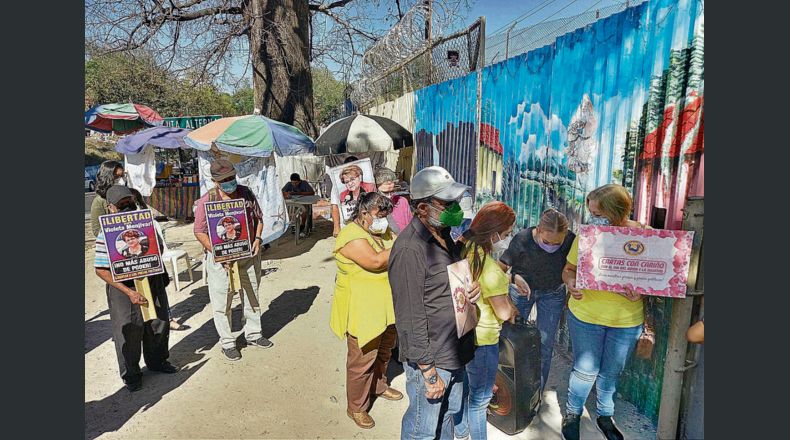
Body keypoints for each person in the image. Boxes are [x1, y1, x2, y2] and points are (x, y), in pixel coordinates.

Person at [388, 165, 481, 440]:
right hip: (431, 358)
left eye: (454, 201)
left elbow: (444, 286)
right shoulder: (410, 249)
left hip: (454, 350)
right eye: (446, 202)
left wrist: (470, 289)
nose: (454, 208)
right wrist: (428, 373)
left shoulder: (445, 236)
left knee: (449, 416)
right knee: (422, 431)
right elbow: (409, 317)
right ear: (422, 209)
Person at [560, 184, 647, 440]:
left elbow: (658, 275)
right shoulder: (587, 235)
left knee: (611, 372)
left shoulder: (645, 236)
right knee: (585, 370)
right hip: (586, 315)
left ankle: (605, 415)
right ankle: (572, 414)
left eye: (598, 213)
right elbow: (568, 269)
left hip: (626, 320)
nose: (593, 218)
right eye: (591, 212)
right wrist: (570, 282)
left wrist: (644, 291)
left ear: (616, 211)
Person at [93, 185, 179, 392]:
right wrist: (130, 292)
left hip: (152, 280)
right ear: (111, 208)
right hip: (123, 287)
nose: (126, 208)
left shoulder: (146, 225)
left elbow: (158, 251)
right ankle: (131, 374)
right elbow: (101, 270)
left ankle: (157, 361)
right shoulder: (106, 234)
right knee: (129, 330)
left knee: (158, 322)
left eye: (129, 203)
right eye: (121, 205)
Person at [330, 192, 402, 429]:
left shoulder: (382, 231)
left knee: (384, 353)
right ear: (363, 212)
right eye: (379, 214)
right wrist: (406, 243)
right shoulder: (350, 235)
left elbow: (396, 244)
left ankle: (379, 386)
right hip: (364, 310)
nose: (384, 219)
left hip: (387, 308)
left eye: (386, 214)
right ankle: (357, 407)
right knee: (362, 362)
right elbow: (375, 261)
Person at [90, 160, 188, 331]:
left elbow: (146, 223)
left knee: (157, 309)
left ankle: (163, 332)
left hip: (145, 261)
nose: (121, 180)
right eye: (116, 177)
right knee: (130, 318)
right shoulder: (100, 202)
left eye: (122, 176)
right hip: (121, 264)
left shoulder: (132, 193)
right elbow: (98, 230)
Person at [193, 159, 272, 361]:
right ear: (214, 181)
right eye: (224, 180)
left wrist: (257, 239)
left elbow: (259, 219)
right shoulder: (206, 200)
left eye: (231, 177)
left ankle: (254, 334)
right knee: (222, 302)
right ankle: (228, 342)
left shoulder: (246, 193)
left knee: (252, 295)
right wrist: (218, 254)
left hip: (248, 256)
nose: (230, 182)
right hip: (221, 262)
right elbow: (199, 231)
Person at [458, 201, 520, 440]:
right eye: (506, 234)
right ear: (493, 234)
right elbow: (504, 313)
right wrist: (512, 307)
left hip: (463, 334)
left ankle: (461, 429)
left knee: (464, 388)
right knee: (480, 400)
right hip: (483, 340)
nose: (507, 238)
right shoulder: (491, 269)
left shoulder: (465, 249)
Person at [499, 208, 575, 390]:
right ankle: (512, 391)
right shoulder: (523, 238)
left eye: (557, 243)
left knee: (544, 345)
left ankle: (535, 395)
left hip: (553, 294)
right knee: (512, 342)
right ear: (539, 229)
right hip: (521, 293)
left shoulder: (571, 240)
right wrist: (512, 279)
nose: (551, 247)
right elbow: (499, 268)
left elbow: (573, 268)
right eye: (547, 242)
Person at [374, 167, 412, 234]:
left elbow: (411, 225)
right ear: (376, 189)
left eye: (392, 192)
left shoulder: (402, 201)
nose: (389, 196)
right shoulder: (373, 206)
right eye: (385, 193)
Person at [330, 156, 359, 237]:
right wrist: (336, 227)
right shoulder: (338, 186)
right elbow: (334, 206)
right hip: (346, 226)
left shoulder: (368, 184)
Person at [282, 173, 315, 237]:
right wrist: (286, 194)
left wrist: (300, 193)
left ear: (300, 181)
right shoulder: (289, 184)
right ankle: (294, 226)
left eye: (296, 183)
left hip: (303, 203)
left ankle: (303, 225)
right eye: (293, 183)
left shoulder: (304, 183)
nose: (294, 185)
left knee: (304, 211)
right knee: (291, 211)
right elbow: (282, 191)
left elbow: (312, 192)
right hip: (294, 204)